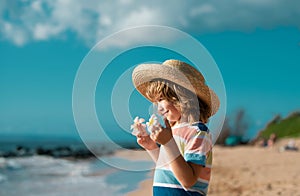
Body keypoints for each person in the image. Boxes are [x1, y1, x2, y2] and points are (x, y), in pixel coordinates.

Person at [131, 59, 220, 196]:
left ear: (181, 97)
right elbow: (169, 167)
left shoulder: (198, 132)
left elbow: (187, 180)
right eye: (155, 102)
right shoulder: (174, 130)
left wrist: (168, 142)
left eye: (161, 99)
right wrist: (152, 146)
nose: (158, 108)